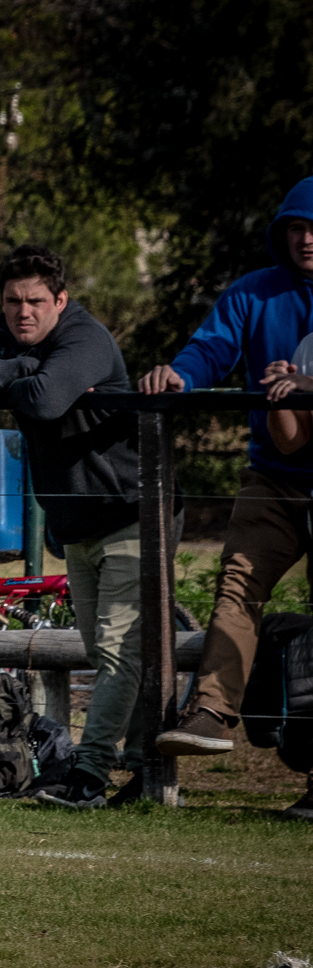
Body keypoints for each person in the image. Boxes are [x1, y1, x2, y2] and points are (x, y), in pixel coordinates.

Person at [0, 245, 154, 810]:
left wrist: (16, 378)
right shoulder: (17, 342)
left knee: (114, 652)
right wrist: (21, 367)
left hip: (133, 514)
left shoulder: (85, 338)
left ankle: (88, 775)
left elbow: (43, 400)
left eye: (36, 301)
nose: (23, 313)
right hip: (79, 523)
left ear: (61, 300)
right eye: (12, 302)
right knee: (108, 650)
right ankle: (145, 772)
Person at [137, 176, 313, 820]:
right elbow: (212, 347)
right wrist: (181, 373)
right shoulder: (254, 292)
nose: (307, 238)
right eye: (296, 227)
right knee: (238, 584)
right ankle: (211, 711)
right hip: (273, 477)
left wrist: (308, 383)